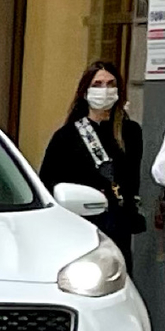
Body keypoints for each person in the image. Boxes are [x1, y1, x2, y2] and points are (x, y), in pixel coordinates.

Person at [38, 61, 144, 260]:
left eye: (110, 84)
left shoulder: (130, 132)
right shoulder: (67, 136)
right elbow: (48, 182)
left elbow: (132, 179)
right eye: (97, 84)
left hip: (117, 228)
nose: (104, 90)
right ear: (85, 92)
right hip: (81, 225)